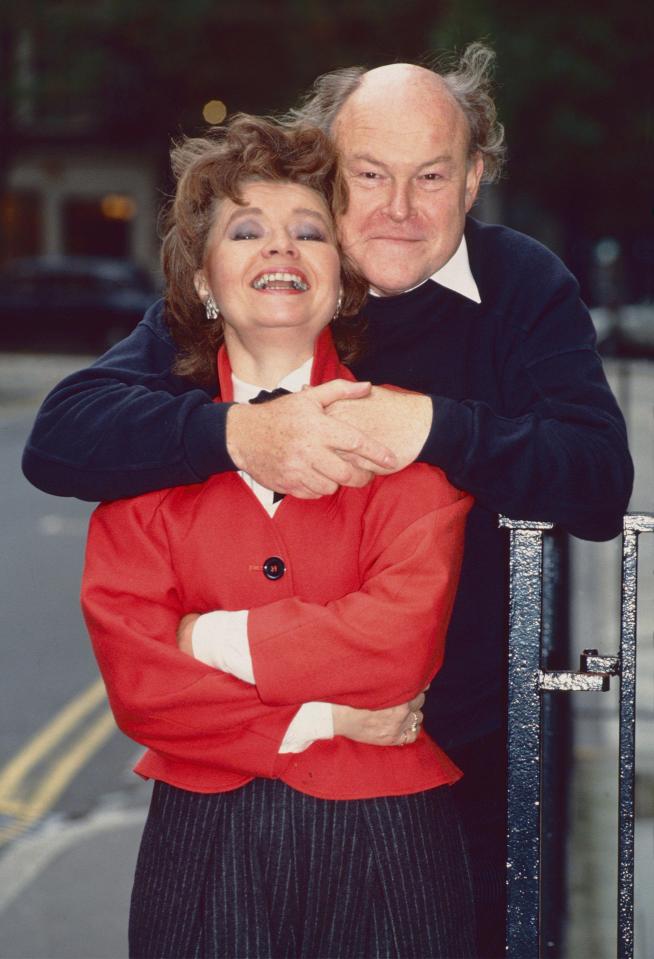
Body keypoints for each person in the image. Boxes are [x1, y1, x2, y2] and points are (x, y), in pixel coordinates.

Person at [24, 43, 633, 957]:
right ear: (330, 171)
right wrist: (239, 434)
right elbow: (62, 435)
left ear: (473, 181)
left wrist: (434, 428)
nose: (397, 208)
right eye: (370, 174)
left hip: (460, 752)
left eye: (431, 176)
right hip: (228, 778)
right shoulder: (264, 288)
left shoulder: (520, 284)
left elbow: (597, 481)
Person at [81, 114, 476, 959]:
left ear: (343, 281)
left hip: (390, 838)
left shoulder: (404, 442)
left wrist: (210, 635)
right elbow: (141, 682)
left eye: (309, 231)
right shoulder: (143, 454)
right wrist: (325, 714)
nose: (281, 248)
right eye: (246, 230)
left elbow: (398, 647)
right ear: (205, 283)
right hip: (202, 841)